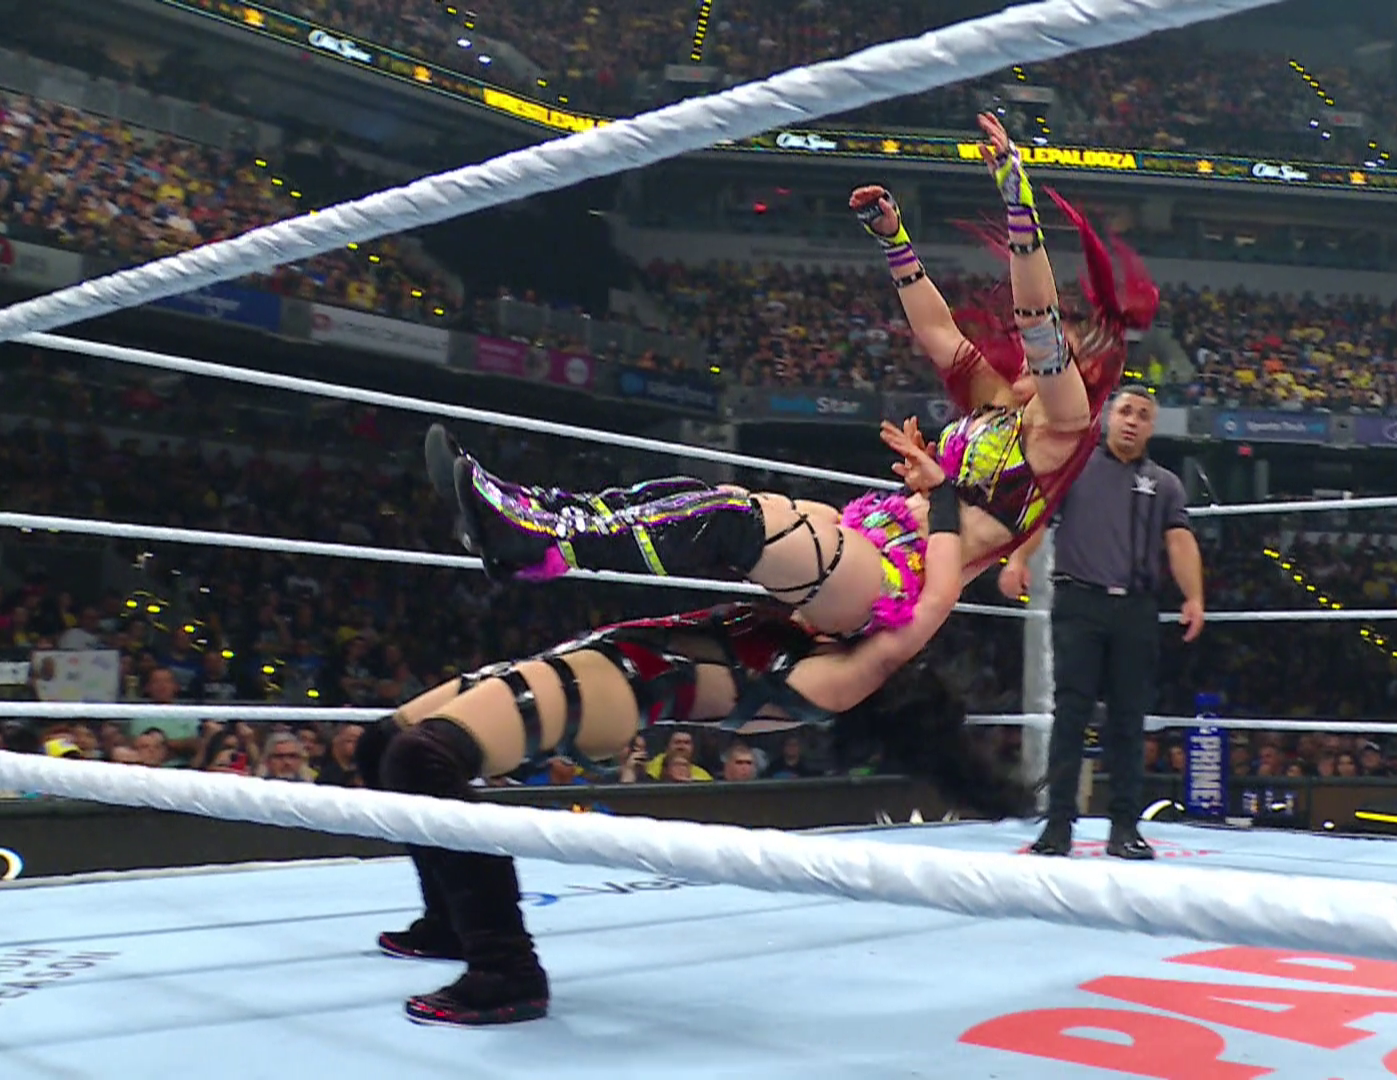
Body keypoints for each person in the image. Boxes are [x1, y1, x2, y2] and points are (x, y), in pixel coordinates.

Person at [358, 426, 1027, 1028]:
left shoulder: (843, 677)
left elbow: (932, 601)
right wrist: (920, 498)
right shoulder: (816, 628)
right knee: (381, 745)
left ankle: (506, 969)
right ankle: (448, 921)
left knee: (420, 759)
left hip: (621, 685)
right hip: (610, 653)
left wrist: (946, 501)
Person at [849, 112, 1159, 574]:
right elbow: (937, 332)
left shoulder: (1063, 423)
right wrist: (894, 241)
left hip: (907, 576)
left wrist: (1018, 202)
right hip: (888, 530)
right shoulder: (997, 401)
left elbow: (1037, 322)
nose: (1026, 358)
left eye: (1053, 357)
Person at [431, 421, 937, 640]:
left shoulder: (982, 495)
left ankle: (542, 541)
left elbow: (976, 560)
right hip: (867, 538)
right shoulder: (971, 443)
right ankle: (534, 514)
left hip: (888, 579)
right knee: (700, 494)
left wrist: (944, 492)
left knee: (729, 520)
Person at [999, 386, 1203, 859]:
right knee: (1070, 715)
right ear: (1110, 416)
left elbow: (1179, 541)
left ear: (1152, 427)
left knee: (1129, 719)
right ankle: (1058, 826)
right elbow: (1039, 516)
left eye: (1143, 415)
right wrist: (1017, 560)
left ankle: (1125, 827)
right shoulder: (1075, 468)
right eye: (1126, 411)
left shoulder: (1166, 484)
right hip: (1080, 603)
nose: (1132, 420)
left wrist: (1194, 596)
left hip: (1136, 608)